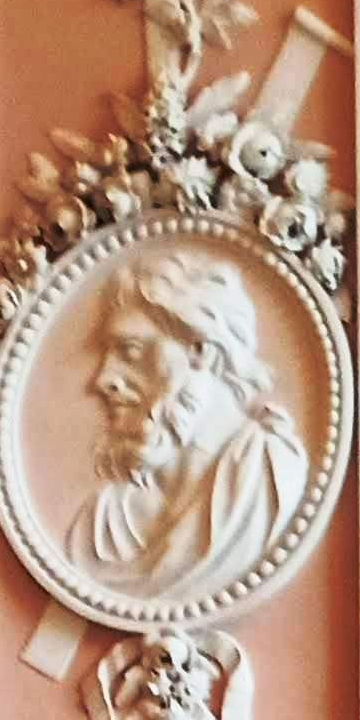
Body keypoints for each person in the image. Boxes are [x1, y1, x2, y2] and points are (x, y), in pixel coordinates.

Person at [69, 246, 311, 603]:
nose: (103, 380)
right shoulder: (104, 523)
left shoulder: (271, 472)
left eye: (130, 351)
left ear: (200, 351)